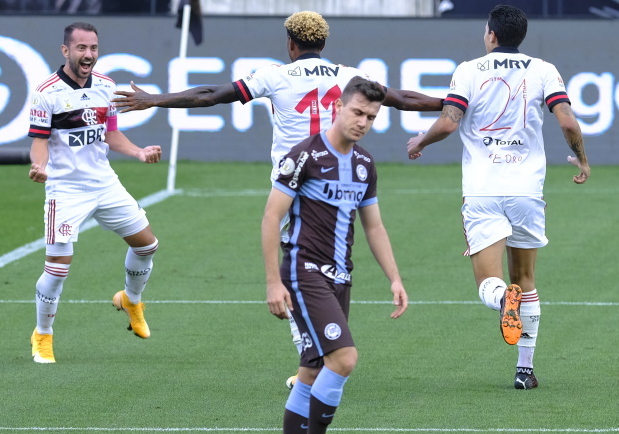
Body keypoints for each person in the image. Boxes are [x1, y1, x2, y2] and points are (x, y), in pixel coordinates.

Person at [113, 10, 439, 387]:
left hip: (296, 183)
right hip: (337, 183)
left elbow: (209, 96)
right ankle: (317, 357)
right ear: (324, 44)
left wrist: (155, 99)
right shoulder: (349, 76)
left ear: (289, 44)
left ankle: (313, 361)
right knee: (330, 263)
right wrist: (454, 104)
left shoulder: (274, 75)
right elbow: (405, 98)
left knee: (298, 268)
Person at [406, 5, 589, 389]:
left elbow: (448, 122)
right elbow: (568, 121)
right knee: (527, 279)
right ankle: (525, 371)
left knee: (491, 284)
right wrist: (582, 161)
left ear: (490, 34)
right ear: (520, 36)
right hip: (526, 191)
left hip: (482, 191)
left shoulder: (468, 70)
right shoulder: (544, 69)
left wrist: (420, 141)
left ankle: (503, 298)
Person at [263, 76, 408, 434]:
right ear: (337, 107)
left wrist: (394, 277)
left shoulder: (364, 163)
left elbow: (374, 227)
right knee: (344, 359)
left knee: (311, 371)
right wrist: (273, 282)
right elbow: (270, 217)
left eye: (371, 117)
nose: (363, 122)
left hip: (341, 276)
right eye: (358, 112)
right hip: (303, 271)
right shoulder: (303, 156)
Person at [28, 22, 163, 363]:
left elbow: (111, 134)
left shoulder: (106, 86)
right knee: (58, 269)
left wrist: (138, 152)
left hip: (104, 183)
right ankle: (42, 335)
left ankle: (131, 300)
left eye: (93, 48)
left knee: (147, 245)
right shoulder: (46, 92)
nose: (88, 55)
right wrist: (40, 166)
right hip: (66, 189)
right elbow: (39, 142)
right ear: (65, 51)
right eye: (81, 49)